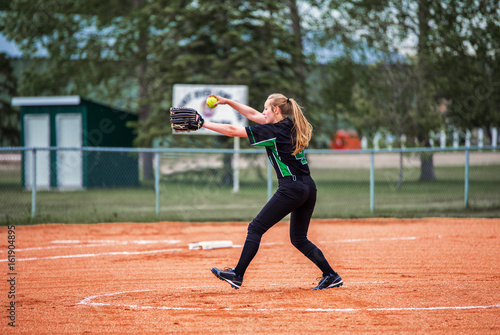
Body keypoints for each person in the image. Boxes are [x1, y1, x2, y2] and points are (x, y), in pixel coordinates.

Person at [203, 93, 342, 291]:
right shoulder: (291, 125)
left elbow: (233, 131)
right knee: (299, 238)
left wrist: (203, 124)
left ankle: (237, 274)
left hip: (291, 188)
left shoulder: (274, 131)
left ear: (276, 110)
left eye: (266, 109)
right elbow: (252, 114)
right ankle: (331, 275)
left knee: (256, 228)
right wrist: (227, 102)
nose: (263, 112)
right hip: (308, 187)